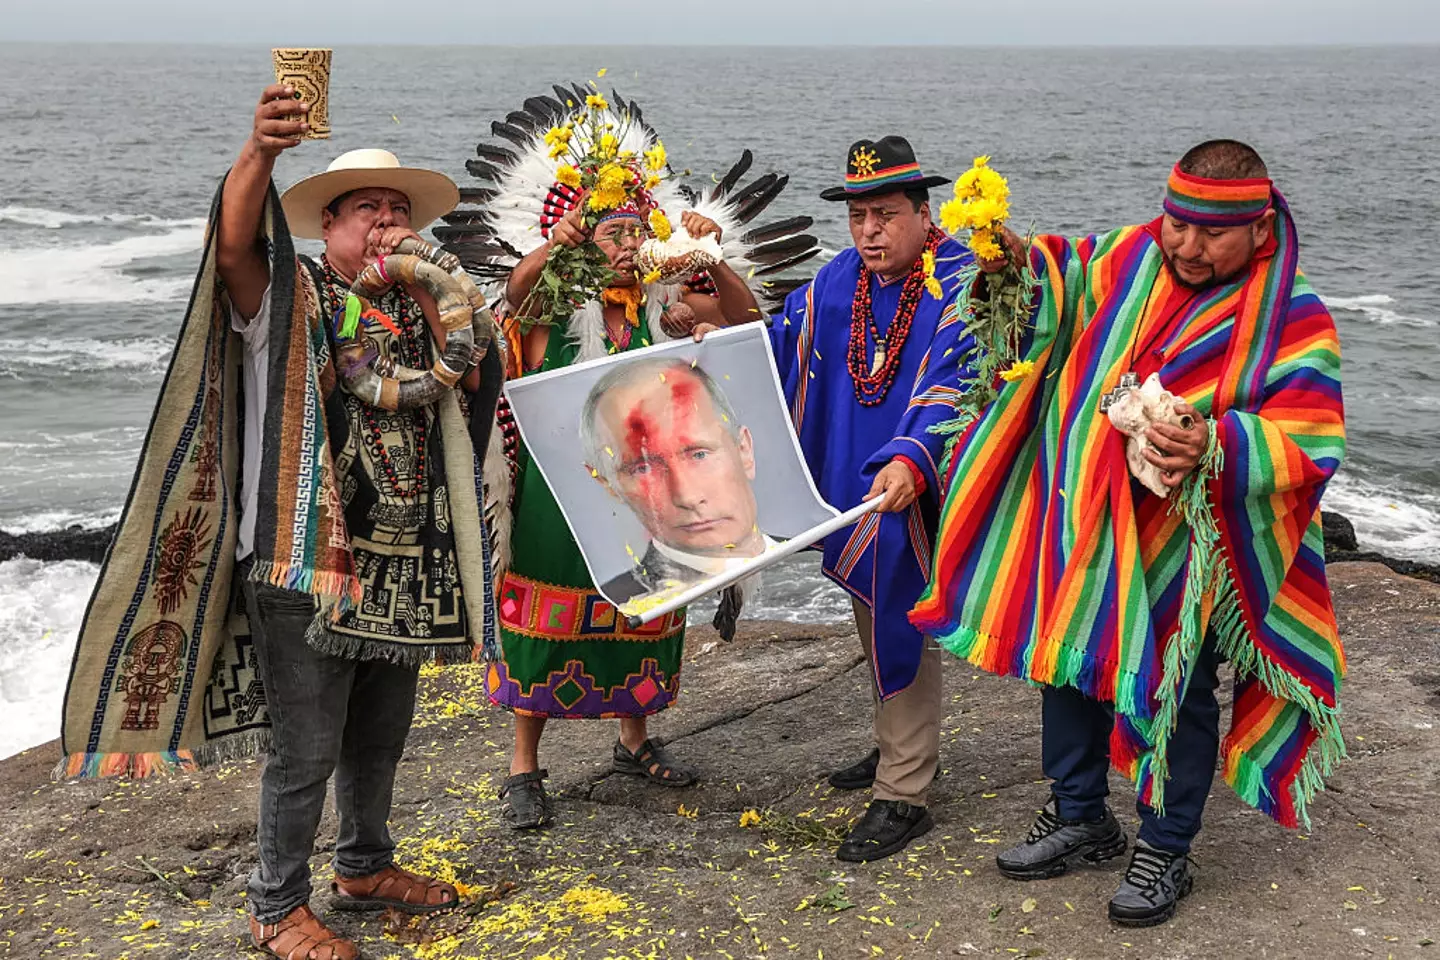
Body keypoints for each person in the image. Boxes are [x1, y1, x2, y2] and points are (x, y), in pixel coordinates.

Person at [61, 83, 502, 960]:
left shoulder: (424, 312)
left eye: (397, 209)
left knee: (380, 735)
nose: (384, 222)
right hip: (302, 562)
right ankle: (274, 907)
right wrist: (261, 151)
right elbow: (230, 251)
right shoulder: (291, 300)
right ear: (326, 227)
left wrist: (448, 308)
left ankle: (365, 864)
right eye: (365, 209)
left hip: (402, 566)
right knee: (304, 750)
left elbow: (476, 380)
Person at [910, 140, 1346, 926]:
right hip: (1086, 514)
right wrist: (1012, 264)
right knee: (1071, 663)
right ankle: (1080, 814)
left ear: (1258, 229)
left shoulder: (1294, 314)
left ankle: (1165, 848)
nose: (1185, 245)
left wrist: (1217, 442)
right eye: (1177, 223)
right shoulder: (1131, 254)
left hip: (1195, 541)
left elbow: (1312, 435)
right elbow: (1059, 277)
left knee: (1180, 687)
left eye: (1211, 234)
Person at [455, 88, 798, 831]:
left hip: (646, 487)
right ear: (578, 232)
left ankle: (633, 740)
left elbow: (747, 328)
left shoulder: (667, 305)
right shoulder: (551, 310)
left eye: (634, 227)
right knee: (542, 615)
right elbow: (514, 298)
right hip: (556, 494)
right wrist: (565, 244)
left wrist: (704, 254)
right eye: (609, 228)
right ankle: (523, 766)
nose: (623, 240)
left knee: (647, 606)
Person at [697, 135, 976, 862]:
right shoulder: (839, 279)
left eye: (884, 214)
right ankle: (899, 750)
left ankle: (904, 791)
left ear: (924, 211)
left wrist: (915, 456)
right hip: (854, 488)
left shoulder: (963, 282)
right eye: (857, 217)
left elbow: (959, 381)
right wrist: (715, 339)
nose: (869, 231)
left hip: (922, 487)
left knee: (899, 615)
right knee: (871, 612)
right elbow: (780, 342)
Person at [579, 356, 768, 603]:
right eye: (644, 468)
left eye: (699, 454)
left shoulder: (814, 542)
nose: (687, 497)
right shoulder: (619, 602)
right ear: (609, 485)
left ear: (744, 451)